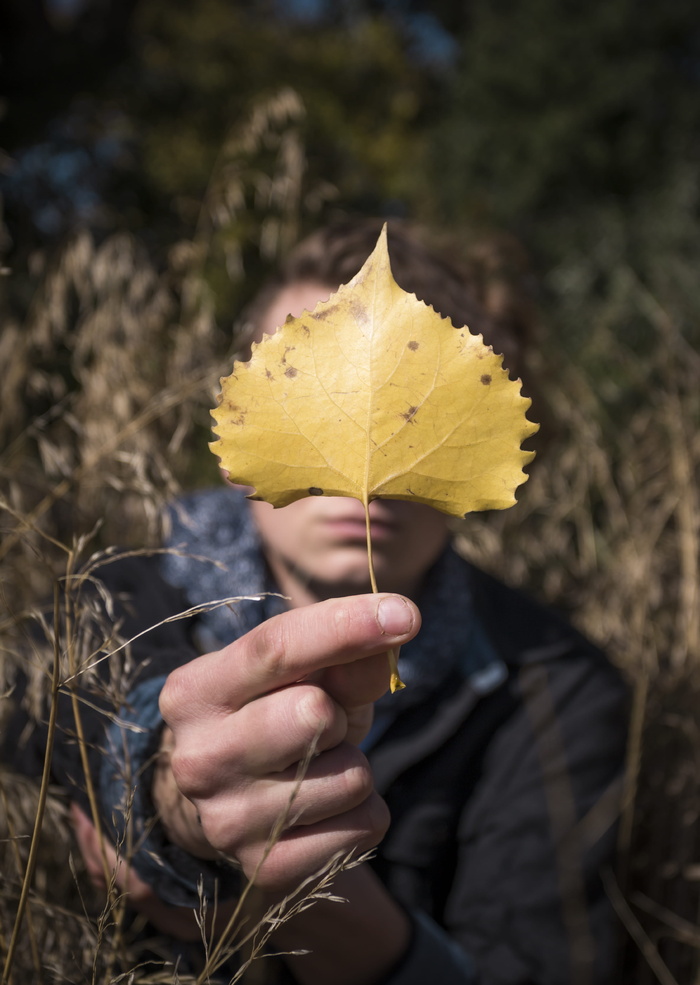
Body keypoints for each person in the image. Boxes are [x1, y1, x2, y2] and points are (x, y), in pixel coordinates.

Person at [4, 218, 629, 984]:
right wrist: (168, 788)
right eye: (312, 391)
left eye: (417, 406)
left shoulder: (556, 688)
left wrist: (261, 907)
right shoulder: (118, 588)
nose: (359, 464)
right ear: (241, 423)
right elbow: (48, 702)